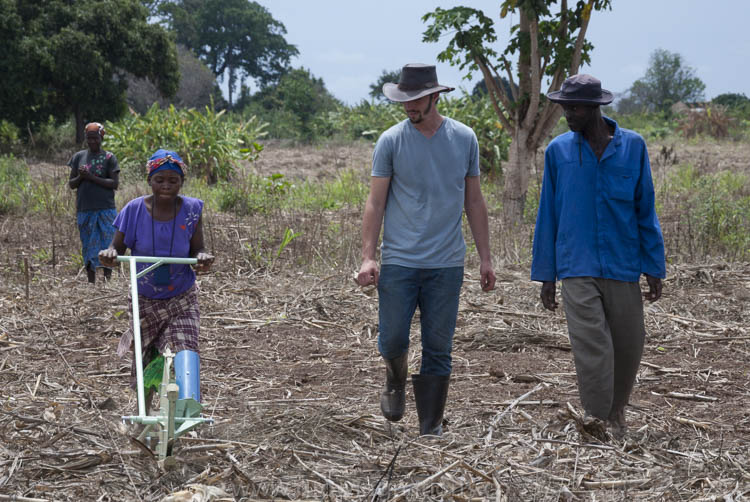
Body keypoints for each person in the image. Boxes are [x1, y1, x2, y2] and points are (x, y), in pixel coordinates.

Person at [356, 63, 496, 436]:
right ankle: (395, 377)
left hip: (446, 263)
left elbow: (475, 201)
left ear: (435, 96)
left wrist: (485, 257)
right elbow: (375, 203)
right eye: (404, 101)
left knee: (438, 345)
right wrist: (369, 256)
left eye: (416, 100)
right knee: (393, 338)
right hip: (400, 260)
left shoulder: (464, 138)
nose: (408, 107)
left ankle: (430, 427)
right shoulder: (390, 141)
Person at [531, 74, 666, 438]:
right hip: (576, 265)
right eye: (564, 107)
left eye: (573, 108)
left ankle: (616, 410)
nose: (567, 115)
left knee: (628, 344)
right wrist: (547, 273)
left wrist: (654, 266)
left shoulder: (633, 147)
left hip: (623, 264)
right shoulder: (558, 152)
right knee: (592, 346)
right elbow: (549, 214)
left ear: (594, 108)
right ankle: (596, 421)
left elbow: (645, 209)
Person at [99, 149, 214, 406]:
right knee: (146, 358)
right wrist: (110, 254)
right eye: (159, 179)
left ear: (181, 182)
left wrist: (203, 258)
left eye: (173, 180)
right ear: (150, 180)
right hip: (145, 300)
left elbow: (198, 248)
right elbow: (117, 247)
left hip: (181, 297)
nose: (166, 186)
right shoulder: (134, 210)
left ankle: (188, 407)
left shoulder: (192, 210)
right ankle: (144, 413)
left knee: (186, 349)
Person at [68, 122, 120, 283]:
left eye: (95, 138)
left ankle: (107, 281)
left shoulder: (109, 157)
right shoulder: (78, 157)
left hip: (106, 208)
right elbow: (71, 184)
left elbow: (114, 184)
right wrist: (81, 177)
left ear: (101, 138)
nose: (92, 142)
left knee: (107, 244)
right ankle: (91, 282)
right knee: (88, 245)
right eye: (89, 138)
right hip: (85, 209)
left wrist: (91, 177)